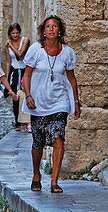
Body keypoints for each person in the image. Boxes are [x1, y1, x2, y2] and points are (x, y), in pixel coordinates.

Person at [21, 15, 81, 195]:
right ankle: (36, 174)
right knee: (38, 142)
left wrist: (76, 102)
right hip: (38, 103)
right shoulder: (35, 50)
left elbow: (71, 78)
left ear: (60, 30)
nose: (52, 29)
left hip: (59, 102)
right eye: (48, 26)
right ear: (44, 31)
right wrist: (28, 95)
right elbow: (27, 76)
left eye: (55, 26)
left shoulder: (67, 53)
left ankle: (55, 180)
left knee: (58, 138)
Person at [4, 22, 31, 131]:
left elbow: (20, 54)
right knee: (15, 95)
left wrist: (10, 45)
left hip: (24, 70)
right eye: (13, 33)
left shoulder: (25, 40)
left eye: (17, 33)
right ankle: (18, 122)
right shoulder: (7, 45)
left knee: (25, 95)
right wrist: (6, 77)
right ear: (9, 34)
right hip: (14, 72)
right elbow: (8, 61)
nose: (15, 35)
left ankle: (27, 121)